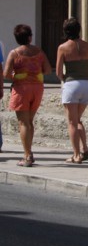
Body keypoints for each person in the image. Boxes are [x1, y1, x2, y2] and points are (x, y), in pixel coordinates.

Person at [3, 24, 51, 166]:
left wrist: (17, 75)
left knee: (23, 123)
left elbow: (6, 74)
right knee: (29, 121)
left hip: (21, 89)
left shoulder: (15, 53)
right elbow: (48, 70)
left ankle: (27, 155)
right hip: (37, 87)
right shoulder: (39, 52)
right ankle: (29, 151)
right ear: (30, 37)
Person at [55, 18, 88, 164]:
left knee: (71, 121)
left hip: (72, 84)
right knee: (78, 119)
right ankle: (85, 148)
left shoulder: (63, 47)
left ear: (65, 31)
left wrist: (65, 77)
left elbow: (58, 72)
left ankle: (76, 155)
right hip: (87, 84)